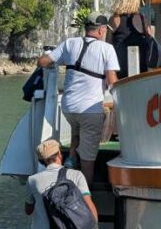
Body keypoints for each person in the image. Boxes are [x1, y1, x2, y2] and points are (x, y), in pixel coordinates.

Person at [37, 13, 120, 188]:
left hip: (68, 107)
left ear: (86, 28)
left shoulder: (70, 43)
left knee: (76, 129)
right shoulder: (107, 49)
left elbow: (43, 61)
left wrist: (55, 61)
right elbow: (112, 81)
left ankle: (72, 158)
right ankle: (84, 192)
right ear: (102, 29)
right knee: (88, 159)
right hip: (89, 110)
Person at [25, 138, 99, 229]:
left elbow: (28, 210)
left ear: (42, 161)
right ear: (59, 154)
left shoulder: (33, 181)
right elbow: (89, 204)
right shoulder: (76, 175)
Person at [109, 0, 158, 78]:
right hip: (141, 62)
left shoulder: (114, 19)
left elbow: (108, 42)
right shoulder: (142, 18)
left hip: (120, 63)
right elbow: (151, 36)